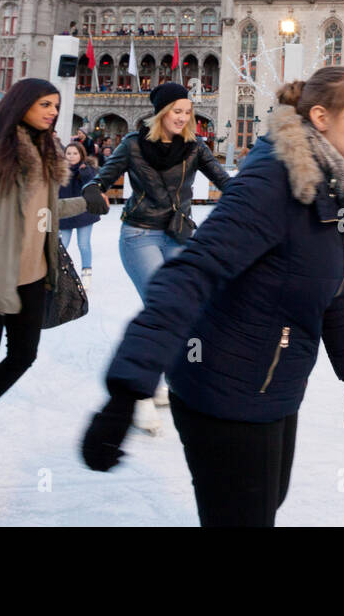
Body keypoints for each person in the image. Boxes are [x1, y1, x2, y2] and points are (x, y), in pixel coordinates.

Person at [80, 68, 344, 527]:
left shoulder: (334, 181)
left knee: (262, 505)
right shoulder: (273, 184)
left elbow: (332, 286)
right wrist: (126, 390)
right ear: (320, 117)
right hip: (223, 389)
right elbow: (188, 274)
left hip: (274, 383)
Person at [0, 78, 108, 514]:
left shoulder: (45, 153)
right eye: (44, 103)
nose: (52, 111)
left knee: (24, 354)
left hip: (32, 277)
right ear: (21, 104)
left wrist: (85, 204)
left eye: (56, 104)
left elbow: (43, 213)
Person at [82, 82, 232, 433]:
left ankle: (172, 378)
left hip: (179, 235)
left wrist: (258, 193)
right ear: (161, 113)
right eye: (176, 111)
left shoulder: (196, 148)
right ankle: (141, 393)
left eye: (187, 111)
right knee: (162, 309)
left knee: (187, 310)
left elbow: (226, 181)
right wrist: (92, 189)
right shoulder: (132, 145)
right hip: (140, 235)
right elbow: (102, 179)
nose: (182, 117)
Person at [59, 142, 100, 289]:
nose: (71, 157)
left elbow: (93, 185)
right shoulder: (60, 170)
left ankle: (86, 272)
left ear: (81, 154)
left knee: (83, 244)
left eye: (75, 153)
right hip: (64, 212)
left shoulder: (88, 170)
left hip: (83, 211)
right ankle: (59, 272)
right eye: (68, 153)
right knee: (62, 244)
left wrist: (85, 172)